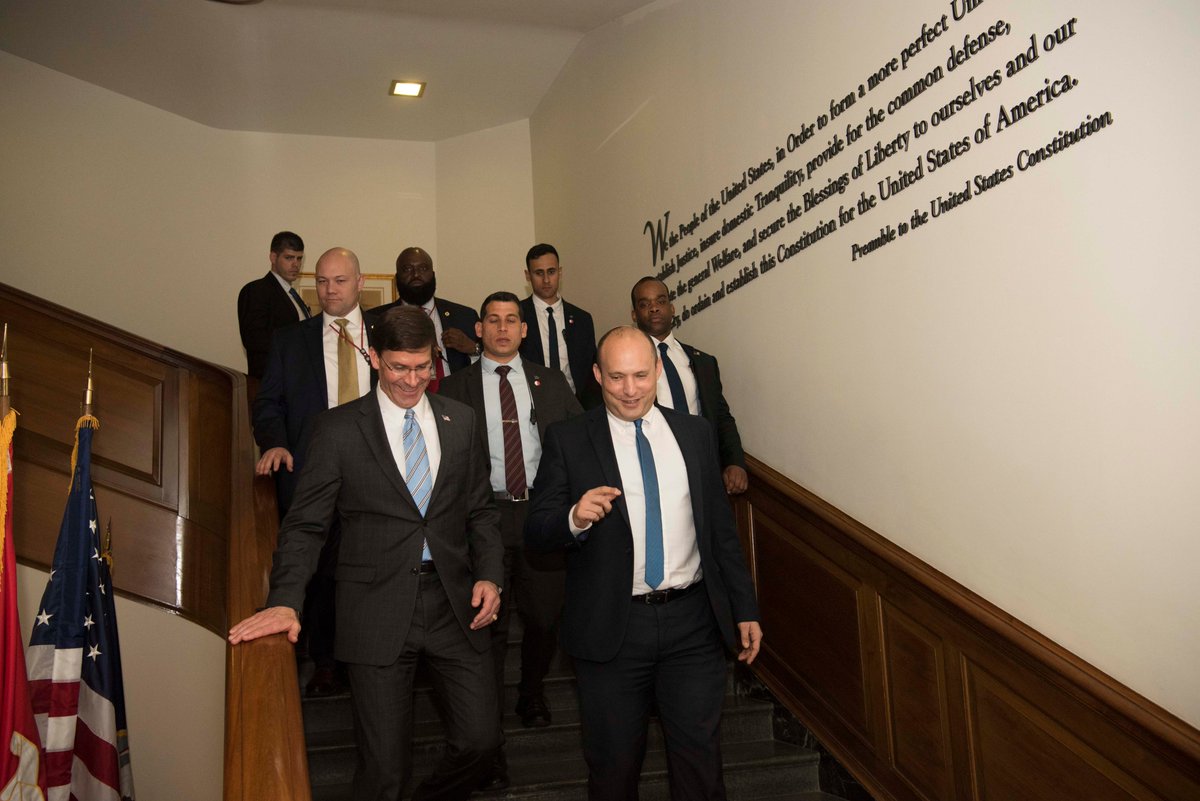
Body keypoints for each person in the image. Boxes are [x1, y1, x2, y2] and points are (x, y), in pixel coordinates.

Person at [230, 306, 504, 801]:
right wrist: (285, 598)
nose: (412, 379)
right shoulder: (337, 429)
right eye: (399, 367)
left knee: (481, 742)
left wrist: (490, 575)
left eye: (423, 367)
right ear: (374, 357)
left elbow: (480, 511)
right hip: (374, 609)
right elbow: (306, 525)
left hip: (454, 606)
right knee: (382, 770)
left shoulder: (460, 421)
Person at [525, 326, 762, 801]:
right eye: (616, 377)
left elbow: (720, 532)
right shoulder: (569, 440)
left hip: (693, 623)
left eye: (639, 375)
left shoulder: (695, 434)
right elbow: (536, 531)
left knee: (700, 765)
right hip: (614, 628)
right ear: (596, 376)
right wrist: (573, 518)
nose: (630, 389)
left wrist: (744, 607)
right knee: (614, 767)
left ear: (657, 370)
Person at [439, 292, 583, 790]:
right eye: (492, 321)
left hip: (542, 515)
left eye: (511, 321)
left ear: (524, 330)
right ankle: (490, 737)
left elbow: (580, 441)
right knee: (489, 629)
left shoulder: (552, 381)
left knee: (545, 616)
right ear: (478, 329)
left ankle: (532, 691)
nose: (502, 329)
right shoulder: (453, 388)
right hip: (483, 518)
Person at [252, 246, 375, 696]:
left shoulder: (387, 334)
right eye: (322, 281)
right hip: (314, 475)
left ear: (359, 283)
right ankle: (326, 662)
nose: (330, 290)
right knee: (322, 574)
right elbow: (268, 404)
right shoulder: (291, 340)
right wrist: (276, 441)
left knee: (376, 569)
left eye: (340, 281)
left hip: (380, 477)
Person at [630, 277, 749, 494]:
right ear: (634, 314)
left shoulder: (702, 362)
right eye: (644, 304)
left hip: (705, 472)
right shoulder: (625, 366)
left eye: (661, 301)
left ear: (672, 308)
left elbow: (721, 417)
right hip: (654, 477)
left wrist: (735, 462)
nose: (654, 308)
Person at [368, 247, 478, 390]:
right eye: (407, 269)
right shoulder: (377, 319)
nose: (416, 275)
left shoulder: (465, 316)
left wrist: (473, 348)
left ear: (433, 274)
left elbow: (487, 365)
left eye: (423, 268)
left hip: (455, 402)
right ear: (397, 278)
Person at [519, 243, 601, 408]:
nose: (546, 280)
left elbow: (590, 372)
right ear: (528, 275)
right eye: (539, 273)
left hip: (576, 406)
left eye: (551, 272)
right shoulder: (517, 316)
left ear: (560, 272)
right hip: (531, 406)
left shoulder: (582, 319)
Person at [237, 231, 309, 381]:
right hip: (273, 384)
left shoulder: (293, 295)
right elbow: (254, 340)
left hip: (296, 381)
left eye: (299, 258)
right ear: (273, 257)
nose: (295, 264)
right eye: (289, 258)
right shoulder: (256, 290)